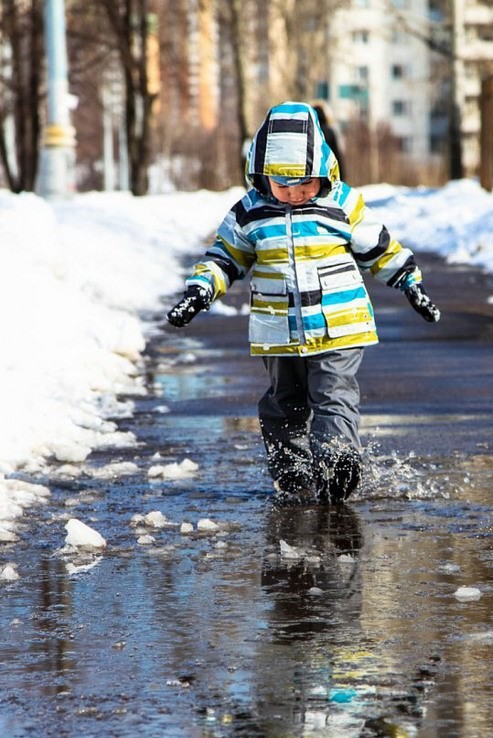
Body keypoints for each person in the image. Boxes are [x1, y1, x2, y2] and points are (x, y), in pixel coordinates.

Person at [166, 101, 440, 504]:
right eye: (283, 187)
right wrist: (200, 289)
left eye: (305, 186)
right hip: (278, 332)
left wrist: (409, 281)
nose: (294, 195)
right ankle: (292, 472)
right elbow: (225, 257)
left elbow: (379, 248)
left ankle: (337, 460)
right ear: (261, 176)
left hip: (339, 324)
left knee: (333, 393)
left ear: (325, 171)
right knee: (283, 404)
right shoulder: (249, 214)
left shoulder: (342, 205)